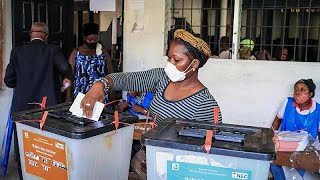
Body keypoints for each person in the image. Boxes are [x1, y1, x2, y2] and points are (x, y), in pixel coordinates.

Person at [80, 29, 222, 124]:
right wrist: (100, 85)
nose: (169, 64)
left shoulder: (205, 105)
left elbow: (206, 151)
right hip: (147, 155)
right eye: (169, 58)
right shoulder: (161, 78)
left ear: (194, 64)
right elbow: (127, 80)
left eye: (177, 60)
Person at [4, 22, 73, 179]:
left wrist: (23, 82)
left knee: (24, 147)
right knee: (46, 148)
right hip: (46, 110)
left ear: (30, 34)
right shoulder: (53, 50)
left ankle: (25, 176)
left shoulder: (17, 52)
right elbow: (66, 69)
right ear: (46, 37)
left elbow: (9, 81)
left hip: (22, 109)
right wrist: (65, 81)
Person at [270, 79, 320, 180]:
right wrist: (272, 137)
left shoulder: (318, 110)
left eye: (302, 90)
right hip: (286, 145)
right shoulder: (288, 103)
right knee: (273, 161)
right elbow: (277, 121)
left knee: (316, 165)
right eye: (296, 89)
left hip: (308, 148)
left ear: (310, 94)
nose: (297, 92)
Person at [67, 22, 114, 102]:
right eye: (90, 40)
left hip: (100, 92)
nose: (92, 42)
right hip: (81, 93)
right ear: (84, 38)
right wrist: (68, 96)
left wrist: (113, 92)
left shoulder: (102, 52)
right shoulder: (76, 53)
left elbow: (111, 72)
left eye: (95, 39)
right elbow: (70, 75)